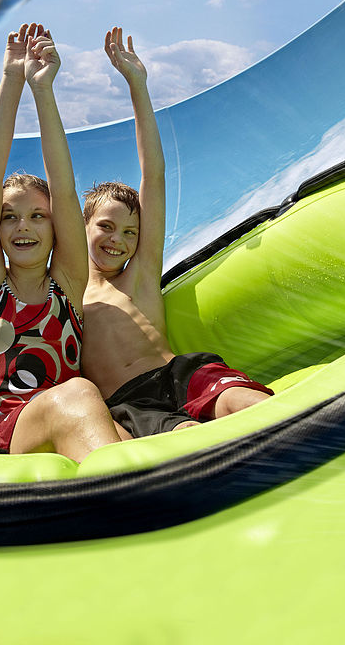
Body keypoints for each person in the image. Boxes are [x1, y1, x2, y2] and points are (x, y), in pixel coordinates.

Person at [80, 26, 273, 436]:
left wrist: (138, 85)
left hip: (179, 375)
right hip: (128, 402)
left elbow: (154, 173)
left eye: (131, 232)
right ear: (80, 227)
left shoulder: (140, 273)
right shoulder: (64, 293)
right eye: (106, 227)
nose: (119, 239)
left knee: (246, 403)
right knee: (185, 441)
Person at [0, 23, 129, 462]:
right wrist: (11, 79)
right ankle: (130, 498)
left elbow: (65, 187)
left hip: (77, 417)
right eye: (10, 217)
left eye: (38, 216)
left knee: (121, 427)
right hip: (8, 433)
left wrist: (43, 89)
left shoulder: (68, 286)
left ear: (57, 229)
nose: (24, 226)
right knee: (77, 395)